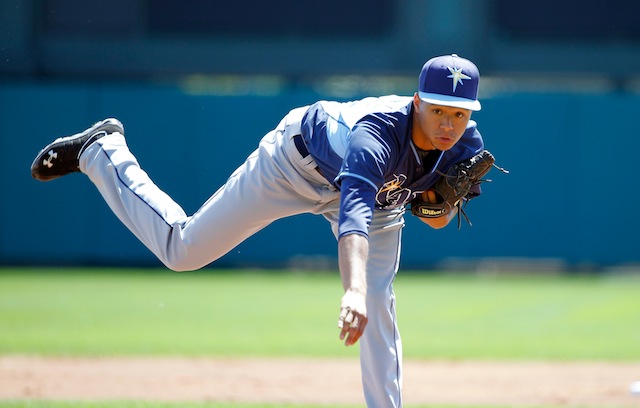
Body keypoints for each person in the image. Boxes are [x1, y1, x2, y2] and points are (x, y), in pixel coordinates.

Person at [31, 54, 490, 407]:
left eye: (459, 113)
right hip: (294, 166)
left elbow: (436, 217)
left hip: (376, 199)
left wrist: (439, 207)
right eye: (438, 110)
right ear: (417, 103)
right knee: (182, 250)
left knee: (378, 303)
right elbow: (353, 214)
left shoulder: (465, 145)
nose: (449, 123)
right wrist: (350, 290)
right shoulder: (377, 136)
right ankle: (102, 151)